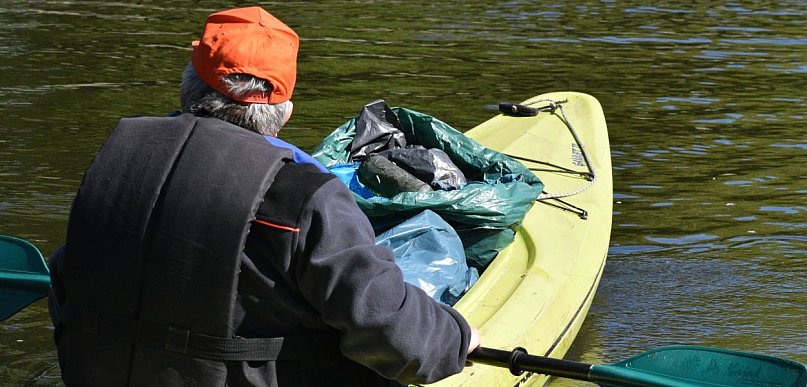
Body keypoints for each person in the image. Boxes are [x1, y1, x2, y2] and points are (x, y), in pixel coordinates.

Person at [47, 6, 480, 387]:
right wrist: (457, 338)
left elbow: (68, 280)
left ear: (187, 87)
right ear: (284, 113)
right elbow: (395, 336)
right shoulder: (305, 196)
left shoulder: (117, 160)